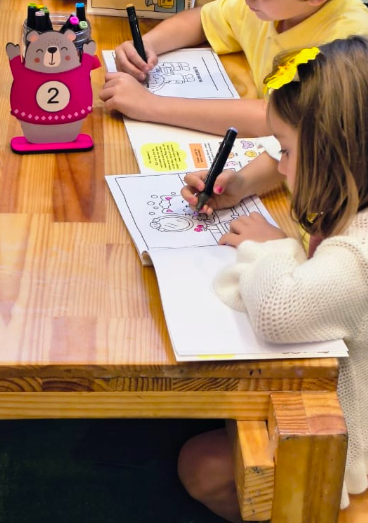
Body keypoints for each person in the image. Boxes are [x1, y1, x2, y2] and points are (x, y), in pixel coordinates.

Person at [178, 35, 368, 522]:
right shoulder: (352, 193)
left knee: (202, 468)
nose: (280, 167)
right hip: (330, 395)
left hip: (348, 444)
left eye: (284, 151)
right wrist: (241, 184)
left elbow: (279, 312)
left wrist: (271, 247)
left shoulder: (358, 252)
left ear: (333, 154)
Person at [99, 0, 368, 137]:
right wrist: (147, 44)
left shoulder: (346, 43)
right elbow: (203, 20)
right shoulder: (268, 7)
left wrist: (150, 105)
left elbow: (276, 118)